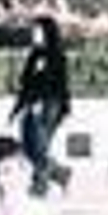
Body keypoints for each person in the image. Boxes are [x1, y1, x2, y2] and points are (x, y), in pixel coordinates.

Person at [10, 15, 71, 196]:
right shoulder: (35, 54)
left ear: (46, 32)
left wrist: (45, 103)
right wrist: (17, 108)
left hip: (47, 106)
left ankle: (40, 185)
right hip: (32, 104)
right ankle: (60, 174)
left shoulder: (55, 55)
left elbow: (57, 84)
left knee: (38, 147)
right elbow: (26, 83)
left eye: (37, 31)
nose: (33, 34)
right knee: (28, 147)